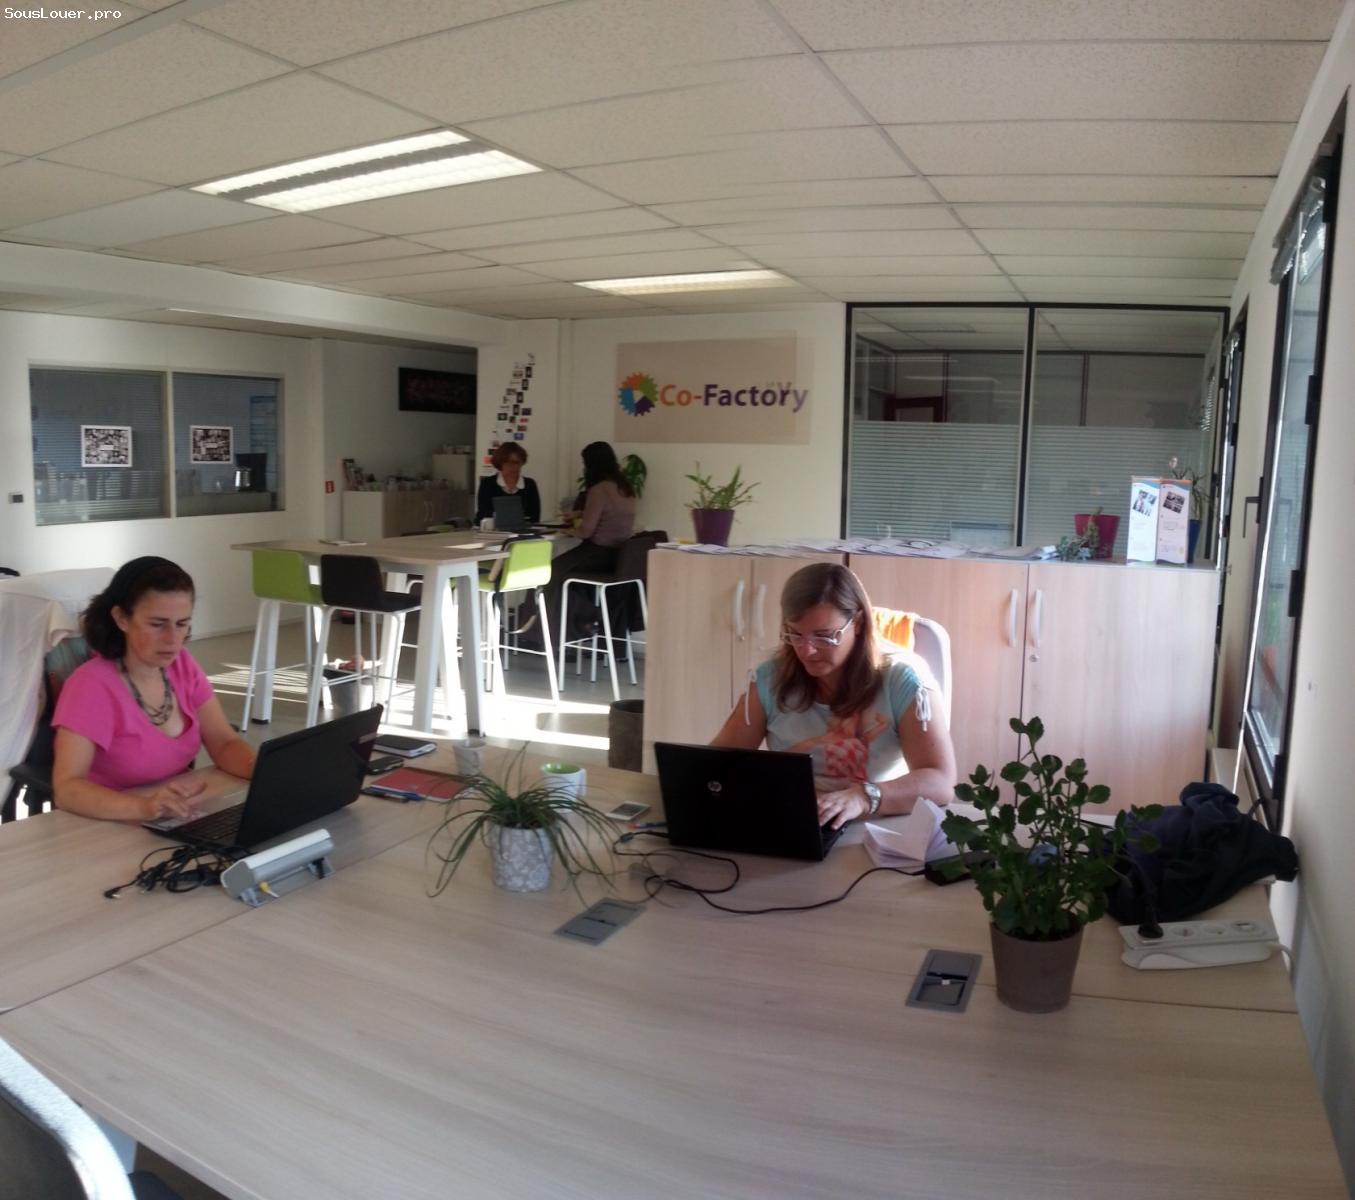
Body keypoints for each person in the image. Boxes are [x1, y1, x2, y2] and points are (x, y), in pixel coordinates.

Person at [712, 562, 956, 829]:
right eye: (795, 634)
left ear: (858, 623)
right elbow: (716, 764)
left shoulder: (903, 679)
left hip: (874, 826)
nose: (807, 650)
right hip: (793, 822)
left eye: (824, 636)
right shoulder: (770, 678)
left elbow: (940, 781)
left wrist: (864, 797)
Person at [51, 556, 256, 822]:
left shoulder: (182, 666)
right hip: (106, 822)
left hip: (173, 815)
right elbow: (67, 789)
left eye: (182, 624)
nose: (172, 639)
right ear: (121, 618)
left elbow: (224, 743)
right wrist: (143, 807)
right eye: (157, 624)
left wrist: (262, 770)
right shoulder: (90, 686)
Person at [521, 441, 637, 650]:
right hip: (618, 557)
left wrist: (569, 530)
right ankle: (578, 626)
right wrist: (581, 513)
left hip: (597, 554)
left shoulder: (599, 490)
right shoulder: (624, 488)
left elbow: (586, 531)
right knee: (565, 580)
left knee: (548, 574)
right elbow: (611, 515)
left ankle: (540, 633)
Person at [476, 443, 541, 524]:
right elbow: (483, 515)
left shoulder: (529, 485)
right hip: (493, 530)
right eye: (509, 463)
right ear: (500, 463)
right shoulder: (487, 484)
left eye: (517, 462)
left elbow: (534, 517)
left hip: (523, 530)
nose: (514, 467)